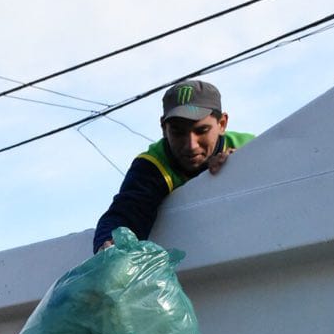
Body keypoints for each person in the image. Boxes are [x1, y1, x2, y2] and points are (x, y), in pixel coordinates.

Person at [93, 79, 255, 252]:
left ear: (222, 124)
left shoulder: (250, 147)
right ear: (164, 128)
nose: (191, 145)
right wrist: (110, 245)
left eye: (201, 131)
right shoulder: (152, 165)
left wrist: (242, 167)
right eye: (178, 132)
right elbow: (126, 213)